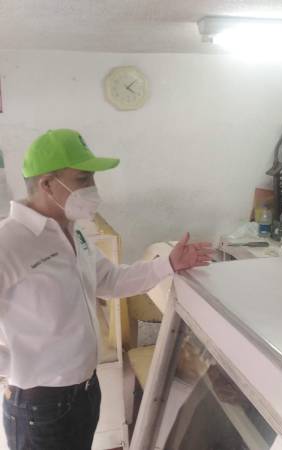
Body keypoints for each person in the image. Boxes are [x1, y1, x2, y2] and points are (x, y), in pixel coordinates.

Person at [0, 129, 213, 450]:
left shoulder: (73, 233)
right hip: (40, 406)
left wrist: (168, 264)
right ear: (47, 184)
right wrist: (16, 368)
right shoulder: (10, 241)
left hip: (85, 391)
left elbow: (111, 280)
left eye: (93, 179)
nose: (92, 188)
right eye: (82, 179)